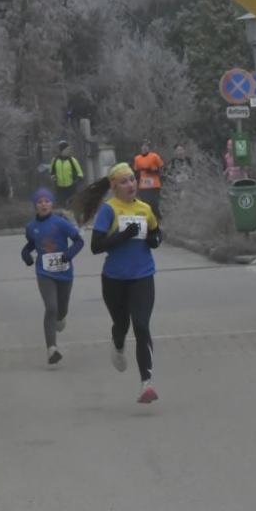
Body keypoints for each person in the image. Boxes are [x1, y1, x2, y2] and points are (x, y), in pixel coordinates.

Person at [74, 162, 163, 404]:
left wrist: (154, 240)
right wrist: (123, 235)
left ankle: (146, 383)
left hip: (143, 276)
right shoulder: (109, 210)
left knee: (141, 326)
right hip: (115, 279)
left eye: (132, 180)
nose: (130, 185)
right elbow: (96, 246)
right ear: (114, 187)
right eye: (124, 182)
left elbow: (156, 233)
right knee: (122, 324)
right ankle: (118, 342)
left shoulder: (145, 208)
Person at [21, 188, 84, 365]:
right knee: (51, 307)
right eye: (39, 202)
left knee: (60, 311)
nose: (43, 204)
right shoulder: (31, 227)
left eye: (46, 201)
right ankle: (51, 349)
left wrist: (69, 254)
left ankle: (61, 317)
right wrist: (25, 254)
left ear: (52, 204)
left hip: (64, 272)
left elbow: (79, 241)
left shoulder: (61, 223)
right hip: (44, 273)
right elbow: (31, 244)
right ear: (35, 206)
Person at [132, 140, 165, 223]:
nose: (144, 148)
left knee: (154, 204)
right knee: (145, 205)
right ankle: (148, 222)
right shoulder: (137, 158)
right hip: (143, 186)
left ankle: (159, 220)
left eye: (146, 146)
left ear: (149, 148)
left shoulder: (154, 156)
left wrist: (152, 171)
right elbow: (136, 172)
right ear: (140, 148)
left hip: (154, 185)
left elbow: (162, 168)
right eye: (143, 146)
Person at [49, 141, 84, 214]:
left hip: (71, 187)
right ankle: (63, 219)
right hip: (60, 188)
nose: (69, 151)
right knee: (62, 207)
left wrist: (76, 181)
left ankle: (74, 219)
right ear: (62, 150)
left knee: (72, 207)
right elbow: (51, 172)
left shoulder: (72, 160)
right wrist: (53, 178)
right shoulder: (55, 160)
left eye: (69, 149)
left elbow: (80, 173)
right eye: (67, 149)